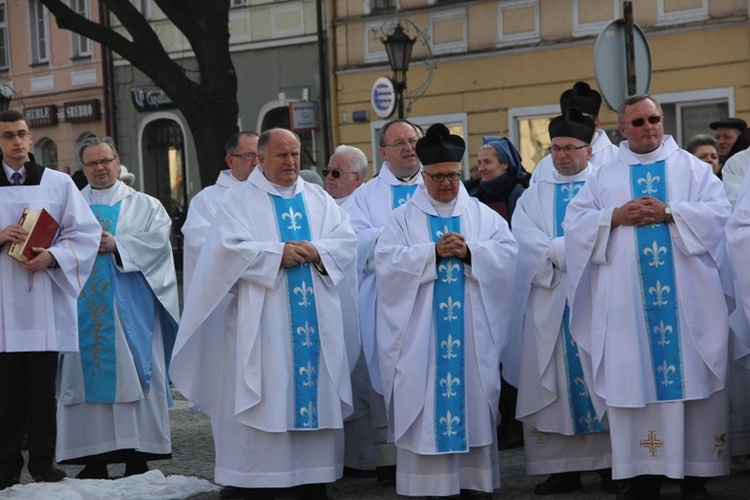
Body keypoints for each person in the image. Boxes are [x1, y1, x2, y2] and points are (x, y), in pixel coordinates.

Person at [170, 128, 358, 500]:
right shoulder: (238, 202)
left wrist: (317, 251)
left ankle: (311, 480)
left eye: (296, 154)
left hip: (316, 324)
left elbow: (347, 240)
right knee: (266, 396)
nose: (291, 162)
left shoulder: (319, 198)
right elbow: (223, 252)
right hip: (262, 324)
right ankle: (254, 482)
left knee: (312, 398)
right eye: (281, 155)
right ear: (260, 159)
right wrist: (276, 256)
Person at [564, 94, 732, 499]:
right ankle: (642, 474)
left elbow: (721, 213)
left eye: (653, 119)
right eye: (637, 122)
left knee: (692, 379)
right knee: (631, 377)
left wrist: (672, 211)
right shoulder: (603, 174)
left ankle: (696, 475)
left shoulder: (691, 168)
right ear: (622, 129)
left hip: (688, 306)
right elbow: (575, 226)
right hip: (627, 311)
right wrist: (613, 217)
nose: (648, 127)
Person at [375, 123, 517, 499]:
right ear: (424, 176)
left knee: (472, 399)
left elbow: (508, 255)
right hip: (422, 341)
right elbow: (385, 264)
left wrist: (472, 252)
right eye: (437, 177)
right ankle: (428, 485)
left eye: (453, 176)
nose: (447, 184)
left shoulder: (483, 216)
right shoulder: (402, 219)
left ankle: (473, 482)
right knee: (424, 405)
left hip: (471, 337)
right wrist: (430, 254)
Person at [56, 136, 180, 479]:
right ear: (83, 168)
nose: (99, 168)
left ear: (118, 161)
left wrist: (118, 244)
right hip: (82, 312)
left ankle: (137, 456)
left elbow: (159, 245)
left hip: (131, 312)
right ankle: (92, 458)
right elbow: (55, 247)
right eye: (92, 163)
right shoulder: (70, 207)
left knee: (133, 378)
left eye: (105, 161)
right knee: (84, 381)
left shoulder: (145, 205)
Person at [512, 108, 612, 495]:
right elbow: (520, 243)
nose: (562, 155)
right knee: (552, 381)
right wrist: (568, 250)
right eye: (555, 148)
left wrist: (565, 250)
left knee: (600, 379)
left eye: (571, 148)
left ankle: (610, 466)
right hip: (551, 301)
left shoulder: (606, 188)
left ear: (589, 150)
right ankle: (562, 470)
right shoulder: (533, 196)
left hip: (597, 297)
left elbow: (612, 233)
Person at [0, 109, 100, 489]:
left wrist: (54, 257)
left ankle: (43, 463)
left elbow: (85, 234)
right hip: (2, 308)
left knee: (42, 391)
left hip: (42, 301)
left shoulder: (57, 183)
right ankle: (5, 466)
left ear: (30, 137)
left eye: (22, 133)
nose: (18, 141)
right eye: (8, 135)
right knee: (5, 395)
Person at [180, 131, 259, 499]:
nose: (258, 163)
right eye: (250, 156)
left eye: (262, 156)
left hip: (270, 307)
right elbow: (205, 247)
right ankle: (235, 471)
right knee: (231, 395)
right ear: (231, 161)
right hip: (228, 309)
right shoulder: (208, 201)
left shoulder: (267, 197)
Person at [349, 118, 423, 484]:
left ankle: (428, 453)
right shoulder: (366, 195)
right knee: (386, 371)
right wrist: (404, 242)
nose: (408, 148)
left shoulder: (442, 185)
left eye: (413, 140)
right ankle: (390, 458)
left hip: (431, 299)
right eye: (399, 143)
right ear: (383, 152)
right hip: (384, 301)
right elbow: (354, 242)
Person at [323, 145, 375, 475]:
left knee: (361, 380)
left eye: (336, 173)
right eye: (328, 171)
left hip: (361, 302)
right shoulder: (323, 206)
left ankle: (364, 458)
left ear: (356, 179)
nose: (328, 178)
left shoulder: (361, 206)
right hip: (331, 304)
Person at [531, 81, 618, 185]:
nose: (574, 125)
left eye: (582, 120)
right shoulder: (545, 165)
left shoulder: (616, 158)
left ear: (597, 124)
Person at [470, 136, 529, 225]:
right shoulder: (475, 196)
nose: (481, 169)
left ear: (505, 164)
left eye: (487, 162)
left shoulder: (519, 195)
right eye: (479, 163)